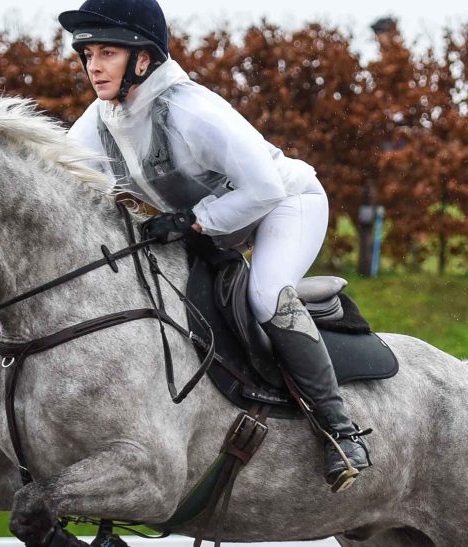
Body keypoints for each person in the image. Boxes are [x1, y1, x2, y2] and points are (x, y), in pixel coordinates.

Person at [58, 0, 372, 492]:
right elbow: (62, 182)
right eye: (88, 53)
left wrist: (190, 220)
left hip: (285, 203)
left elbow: (264, 188)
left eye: (107, 53)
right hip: (211, 225)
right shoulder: (99, 123)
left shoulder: (191, 110)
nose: (93, 66)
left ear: (142, 60)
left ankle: (340, 430)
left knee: (266, 295)